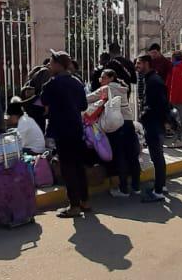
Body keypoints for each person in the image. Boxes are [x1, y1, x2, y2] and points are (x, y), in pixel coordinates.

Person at [40, 52, 89, 218]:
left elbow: (43, 101)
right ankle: (84, 200)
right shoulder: (77, 82)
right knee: (78, 166)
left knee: (68, 168)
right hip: (76, 128)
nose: (49, 66)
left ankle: (74, 206)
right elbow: (83, 105)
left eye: (52, 63)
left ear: (58, 64)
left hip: (62, 130)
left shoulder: (52, 83)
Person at [88, 70, 139, 197]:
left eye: (103, 77)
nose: (101, 80)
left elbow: (87, 98)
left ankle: (123, 189)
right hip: (128, 123)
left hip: (116, 125)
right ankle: (136, 187)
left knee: (120, 156)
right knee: (132, 155)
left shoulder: (106, 88)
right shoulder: (122, 88)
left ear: (111, 78)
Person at [136, 55, 169, 203]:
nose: (137, 66)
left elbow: (160, 105)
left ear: (147, 64)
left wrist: (144, 114)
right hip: (154, 123)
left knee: (157, 157)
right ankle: (160, 185)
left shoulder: (154, 81)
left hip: (154, 124)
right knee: (158, 157)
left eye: (139, 63)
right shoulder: (150, 79)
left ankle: (158, 191)